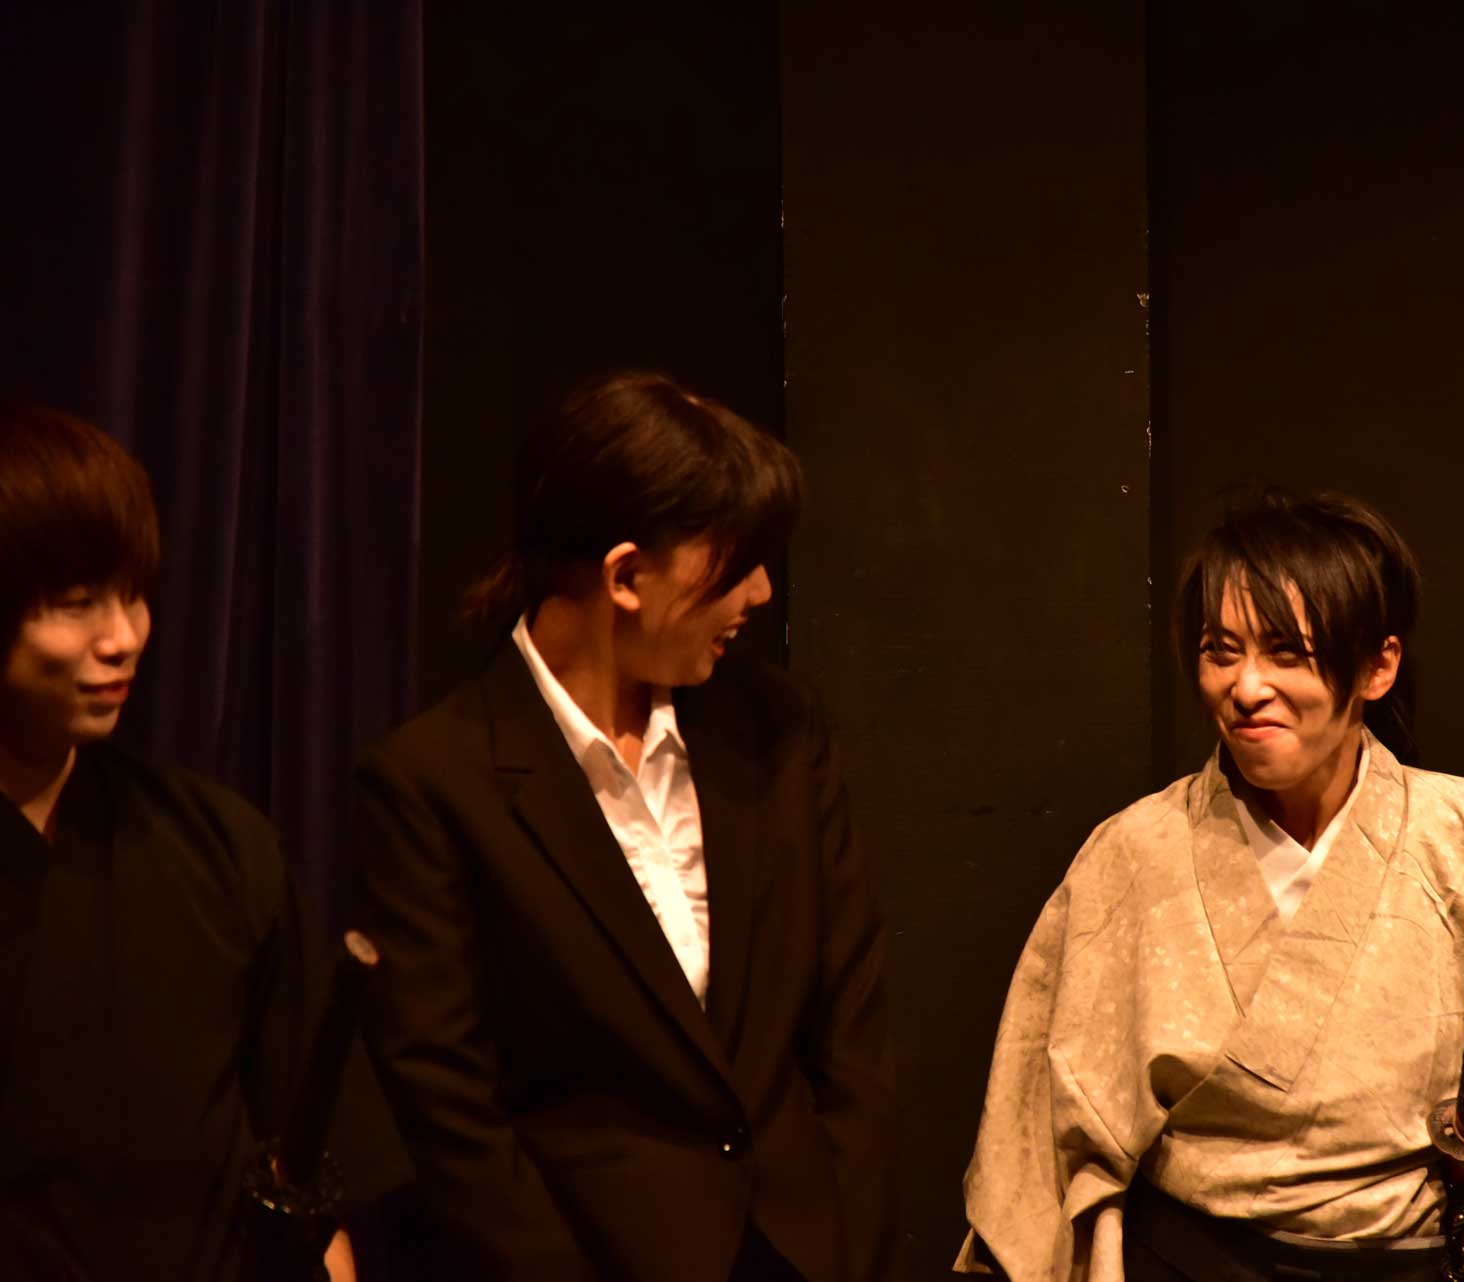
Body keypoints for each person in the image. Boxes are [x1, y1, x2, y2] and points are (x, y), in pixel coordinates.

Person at [957, 489, 1464, 1282]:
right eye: (1221, 652)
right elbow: (1036, 1145)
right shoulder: (1132, 853)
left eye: (1285, 652)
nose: (1247, 687)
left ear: (1378, 666)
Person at [353, 371, 895, 1282]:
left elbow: (852, 1032)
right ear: (627, 576)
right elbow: (452, 1113)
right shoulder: (435, 784)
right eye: (735, 562)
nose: (761, 592)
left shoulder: (778, 731)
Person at [0, 401, 385, 1280]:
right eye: (76, 604)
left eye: (133, 595)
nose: (123, 637)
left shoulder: (218, 846)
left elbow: (311, 1171)